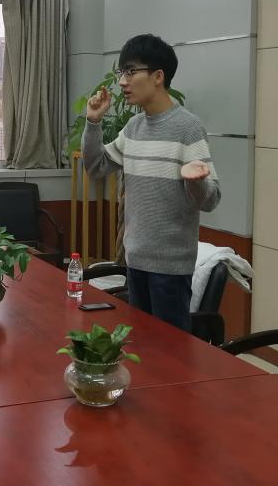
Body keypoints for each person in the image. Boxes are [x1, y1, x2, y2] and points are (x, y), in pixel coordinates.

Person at [82, 33, 221, 331]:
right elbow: (96, 166)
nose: (122, 81)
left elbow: (210, 199)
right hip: (134, 261)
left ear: (158, 76)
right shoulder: (134, 127)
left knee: (168, 352)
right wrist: (93, 122)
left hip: (170, 268)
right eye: (122, 72)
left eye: (131, 71)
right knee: (140, 346)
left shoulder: (188, 128)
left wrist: (196, 181)